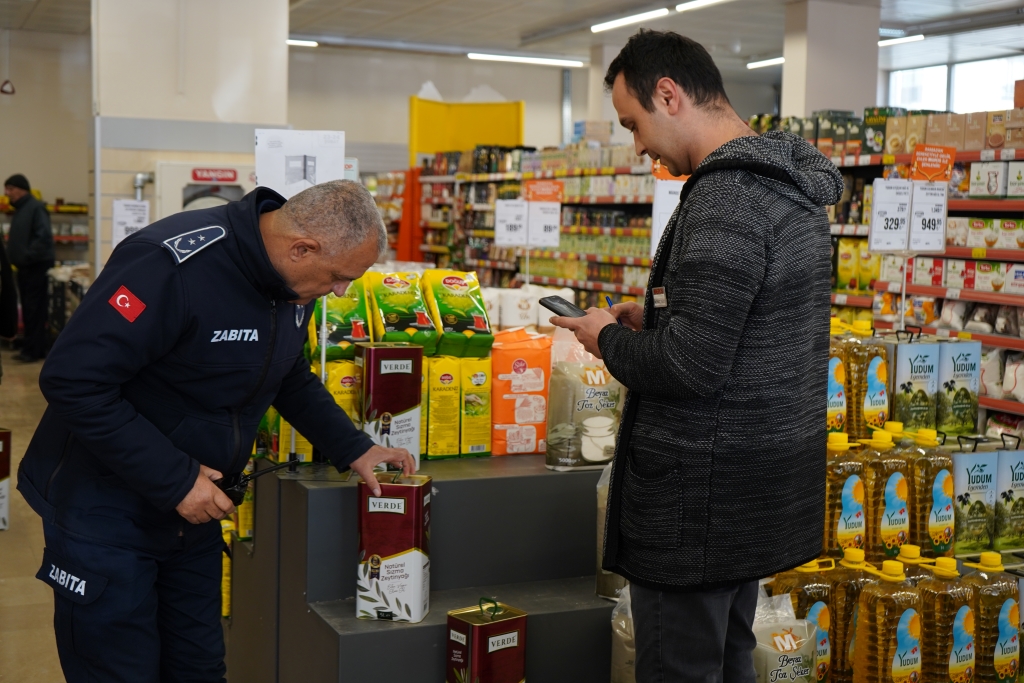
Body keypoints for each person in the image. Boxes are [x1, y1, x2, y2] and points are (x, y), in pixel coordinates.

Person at [18, 180, 413, 682]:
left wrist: (354, 447)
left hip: (194, 515)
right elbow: (73, 380)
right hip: (105, 511)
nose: (341, 291)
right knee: (120, 670)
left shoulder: (290, 284)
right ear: (302, 247)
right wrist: (176, 479)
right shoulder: (167, 264)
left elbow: (287, 374)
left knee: (199, 667)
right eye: (339, 277)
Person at [550, 30, 842, 683]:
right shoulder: (788, 186)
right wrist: (656, 316)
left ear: (669, 93)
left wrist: (607, 338)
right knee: (729, 657)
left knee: (680, 668)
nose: (639, 146)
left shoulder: (726, 196)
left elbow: (690, 367)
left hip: (698, 507)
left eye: (635, 124)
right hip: (754, 494)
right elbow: (744, 328)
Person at [4, 173, 55, 362]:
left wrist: (26, 256)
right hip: (25, 267)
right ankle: (31, 347)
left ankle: (34, 350)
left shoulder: (35, 207)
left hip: (35, 267)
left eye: (10, 189)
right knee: (28, 309)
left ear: (21, 189)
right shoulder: (22, 208)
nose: (7, 193)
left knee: (34, 309)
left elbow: (43, 237)